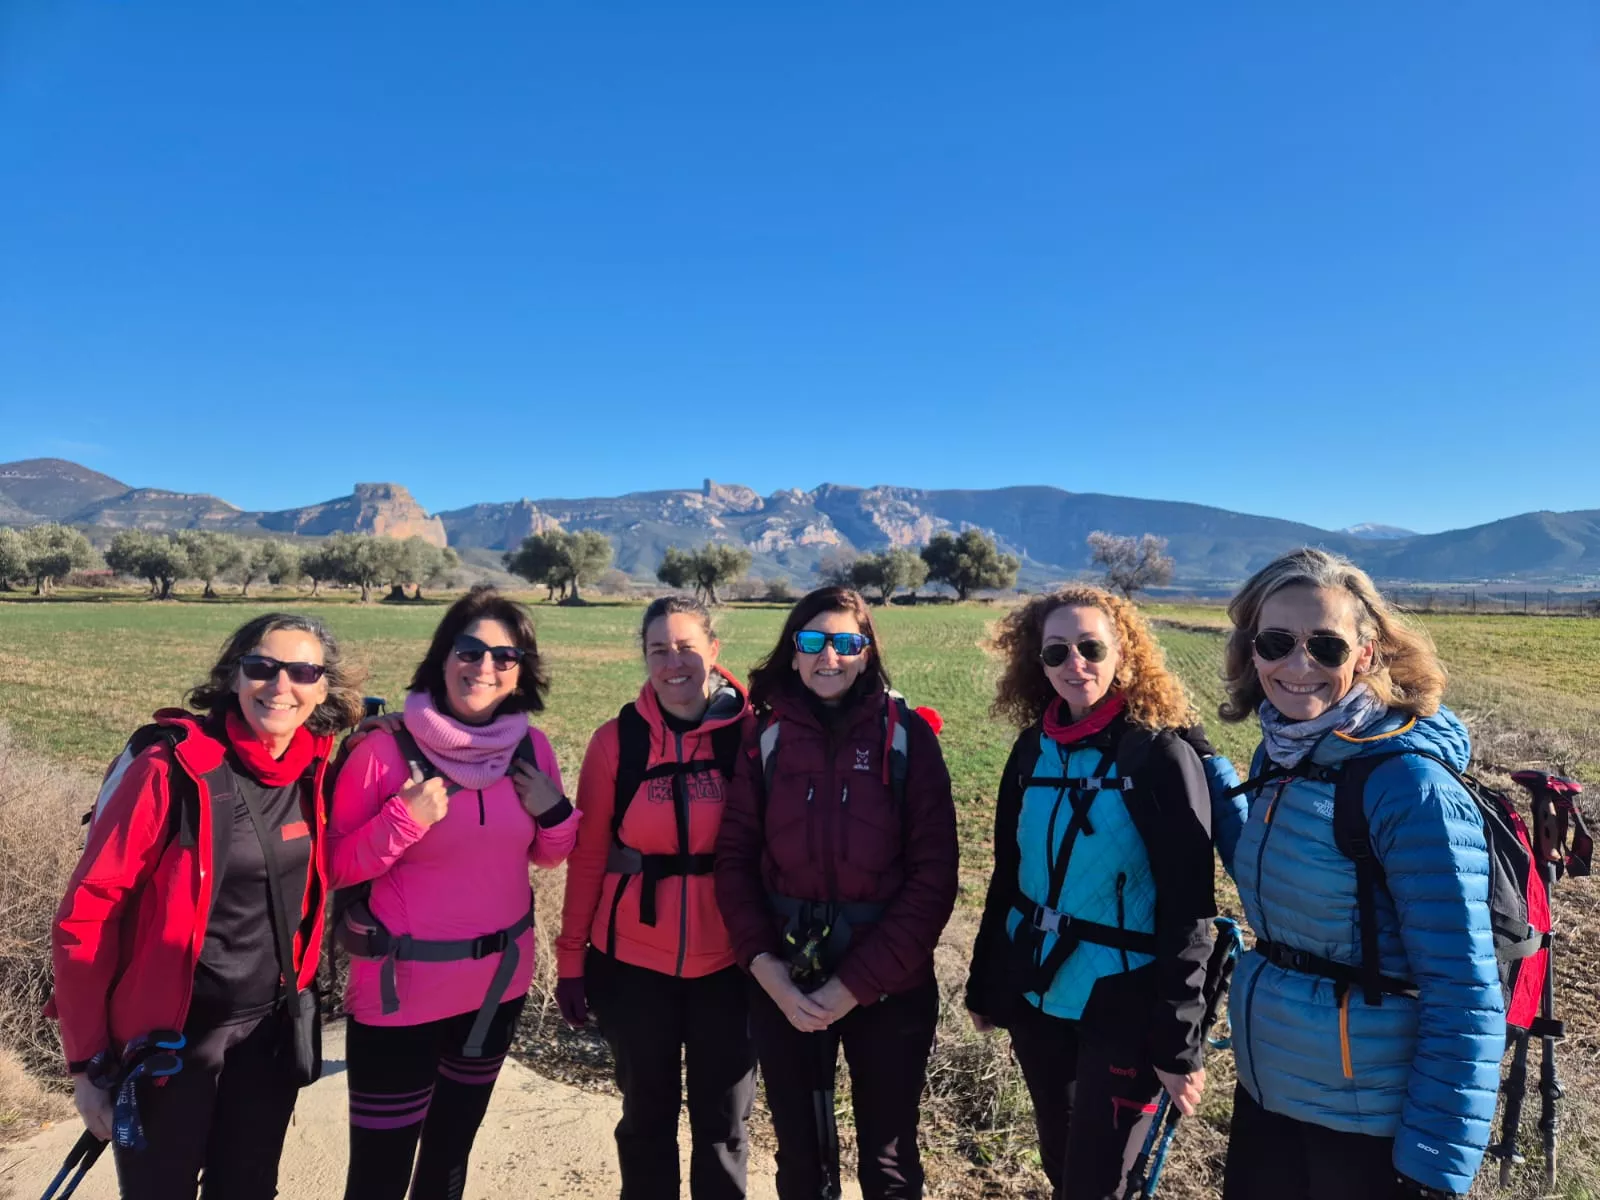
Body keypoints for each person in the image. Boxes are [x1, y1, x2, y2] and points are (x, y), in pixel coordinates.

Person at [1212, 548, 1503, 1200]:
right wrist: (1216, 783)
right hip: (1271, 1090)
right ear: (1251, 650)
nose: (1299, 665)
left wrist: (1433, 1163)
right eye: (1278, 642)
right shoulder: (1286, 749)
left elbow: (1462, 988)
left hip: (1366, 1124)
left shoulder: (1407, 784)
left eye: (1327, 647)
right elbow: (1284, 892)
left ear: (1366, 655)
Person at [50, 612, 363, 1199]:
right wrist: (86, 1066)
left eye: (302, 671)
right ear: (233, 677)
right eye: (261, 667)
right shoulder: (169, 772)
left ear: (324, 687)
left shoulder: (318, 768)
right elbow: (87, 917)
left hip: (269, 1032)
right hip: (169, 1043)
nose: (280, 685)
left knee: (247, 1189)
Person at [962, 587, 1216, 1199]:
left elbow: (1189, 905)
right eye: (1056, 652)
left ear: (1122, 652)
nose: (1074, 664)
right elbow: (1008, 875)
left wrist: (1179, 1041)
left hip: (1124, 999)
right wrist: (986, 983)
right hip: (1037, 991)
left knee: (1101, 1184)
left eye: (1090, 646)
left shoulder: (1158, 753)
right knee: (1060, 1160)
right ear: (1038, 663)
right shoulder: (1031, 750)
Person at [327, 586, 579, 1200]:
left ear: (522, 672)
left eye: (505, 656)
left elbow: (548, 854)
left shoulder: (530, 748)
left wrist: (554, 811)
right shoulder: (382, 750)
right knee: (381, 1173)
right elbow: (333, 866)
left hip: (498, 988)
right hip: (400, 994)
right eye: (470, 650)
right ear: (443, 657)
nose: (484, 666)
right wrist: (402, 821)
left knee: (449, 1156)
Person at [715, 586, 959, 1200]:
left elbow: (934, 879)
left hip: (889, 986)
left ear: (867, 651)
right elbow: (735, 861)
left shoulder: (908, 738)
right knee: (801, 1158)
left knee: (889, 1158)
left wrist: (853, 986)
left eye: (846, 642)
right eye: (813, 641)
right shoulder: (764, 739)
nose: (830, 656)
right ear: (792, 652)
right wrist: (767, 970)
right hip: (785, 978)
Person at [556, 595, 759, 1199]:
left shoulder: (751, 736)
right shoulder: (616, 742)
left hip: (732, 963)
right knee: (646, 1118)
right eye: (659, 650)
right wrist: (571, 962)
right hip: (631, 963)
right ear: (644, 658)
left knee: (724, 1124)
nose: (675, 663)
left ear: (714, 652)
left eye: (688, 647)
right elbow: (589, 856)